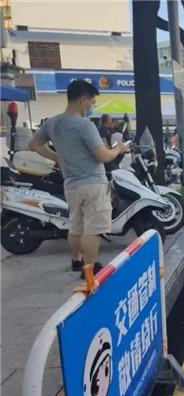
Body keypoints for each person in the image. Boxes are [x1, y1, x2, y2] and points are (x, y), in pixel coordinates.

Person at [28, 79, 129, 278]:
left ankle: (76, 260)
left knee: (75, 227)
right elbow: (103, 156)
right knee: (93, 230)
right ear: (83, 99)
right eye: (92, 102)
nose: (92, 106)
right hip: (93, 184)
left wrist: (57, 157)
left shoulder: (52, 123)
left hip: (71, 185)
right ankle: (89, 270)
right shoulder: (84, 125)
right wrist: (119, 149)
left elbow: (34, 144)